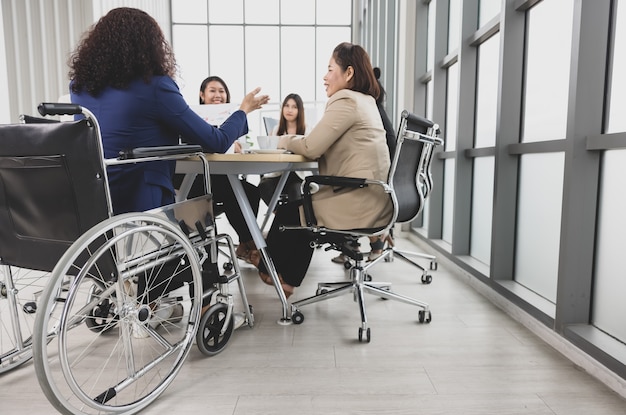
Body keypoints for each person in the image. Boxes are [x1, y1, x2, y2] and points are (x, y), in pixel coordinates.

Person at [68, 7, 269, 310]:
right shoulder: (156, 86)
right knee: (200, 219)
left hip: (96, 197)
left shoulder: (80, 88)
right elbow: (214, 141)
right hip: (143, 195)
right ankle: (197, 304)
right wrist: (242, 111)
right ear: (149, 45)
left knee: (197, 201)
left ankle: (131, 287)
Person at [249, 42, 393, 299]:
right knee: (301, 205)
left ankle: (272, 272)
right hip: (375, 197)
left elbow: (311, 147)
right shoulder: (367, 101)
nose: (325, 77)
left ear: (348, 73)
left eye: (329, 69)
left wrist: (281, 140)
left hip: (358, 200)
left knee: (291, 209)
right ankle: (286, 278)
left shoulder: (346, 99)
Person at [179, 75, 262, 263]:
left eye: (222, 91)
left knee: (250, 192)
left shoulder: (230, 120)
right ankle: (251, 243)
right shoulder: (194, 117)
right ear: (202, 95)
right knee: (233, 190)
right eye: (213, 90)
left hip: (219, 176)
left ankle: (245, 242)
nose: (218, 94)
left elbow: (236, 146)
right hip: (194, 178)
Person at [330, 66, 397, 265]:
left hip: (375, 182)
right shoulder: (376, 109)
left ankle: (358, 244)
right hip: (387, 179)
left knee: (338, 185)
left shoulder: (365, 109)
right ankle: (366, 242)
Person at [258, 93, 309, 206]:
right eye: (286, 106)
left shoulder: (307, 130)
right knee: (263, 185)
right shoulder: (276, 130)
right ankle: (280, 215)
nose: (289, 110)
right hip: (279, 173)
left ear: (299, 110)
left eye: (294, 107)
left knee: (295, 189)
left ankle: (296, 221)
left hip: (298, 174)